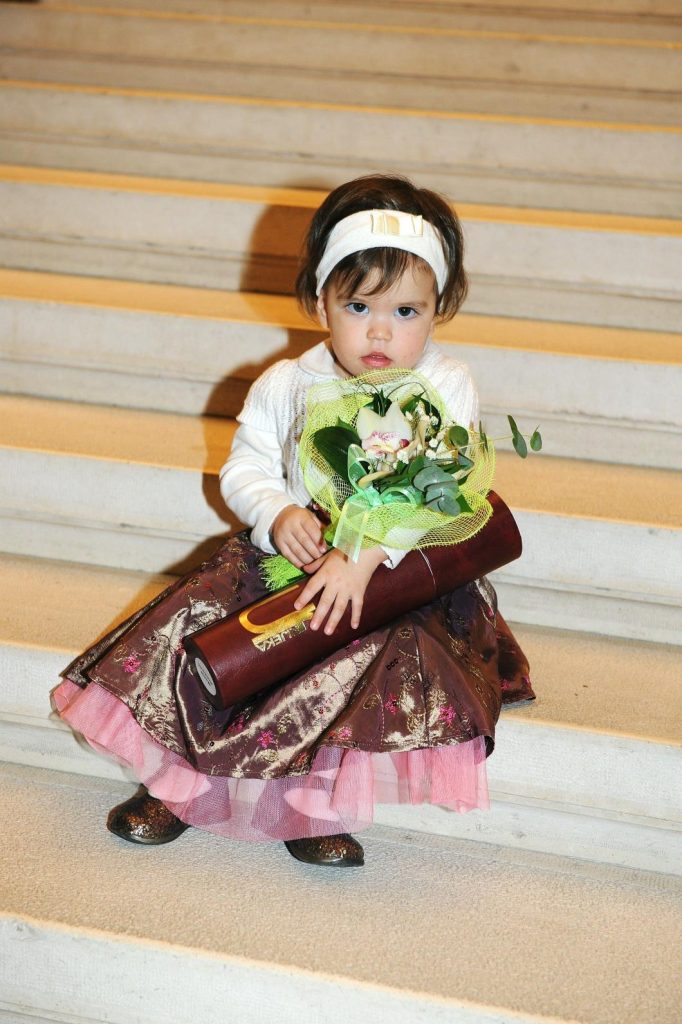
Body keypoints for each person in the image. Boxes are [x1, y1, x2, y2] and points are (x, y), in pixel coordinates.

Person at [52, 174, 535, 868]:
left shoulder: (443, 383)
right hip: (294, 552)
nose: (379, 331)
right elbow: (245, 467)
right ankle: (177, 785)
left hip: (394, 569)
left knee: (352, 666)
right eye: (358, 306)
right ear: (319, 301)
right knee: (211, 638)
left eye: (406, 311)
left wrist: (364, 555)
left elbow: (441, 487)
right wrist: (276, 512)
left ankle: (311, 806)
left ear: (440, 310)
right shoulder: (287, 383)